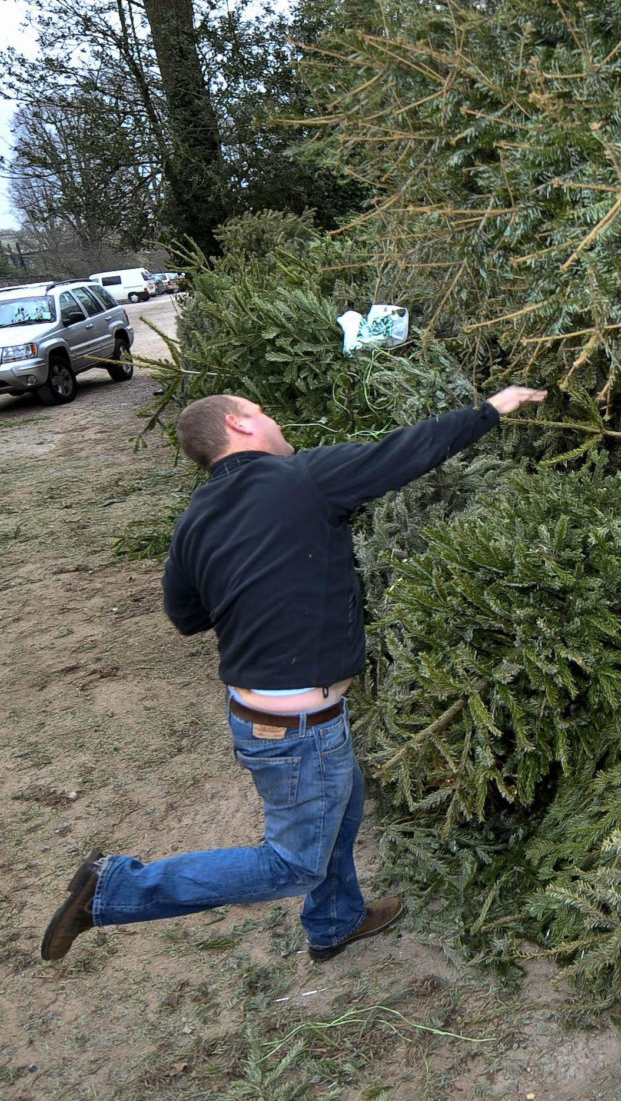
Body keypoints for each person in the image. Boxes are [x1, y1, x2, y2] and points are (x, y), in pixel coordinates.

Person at [41, 385, 547, 963]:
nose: (275, 420)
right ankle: (115, 890)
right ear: (239, 424)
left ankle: (335, 920)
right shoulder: (305, 478)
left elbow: (185, 617)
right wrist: (489, 410)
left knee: (345, 804)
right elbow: (403, 452)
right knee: (292, 863)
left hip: (263, 720)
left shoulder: (194, 521)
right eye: (263, 412)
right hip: (298, 729)